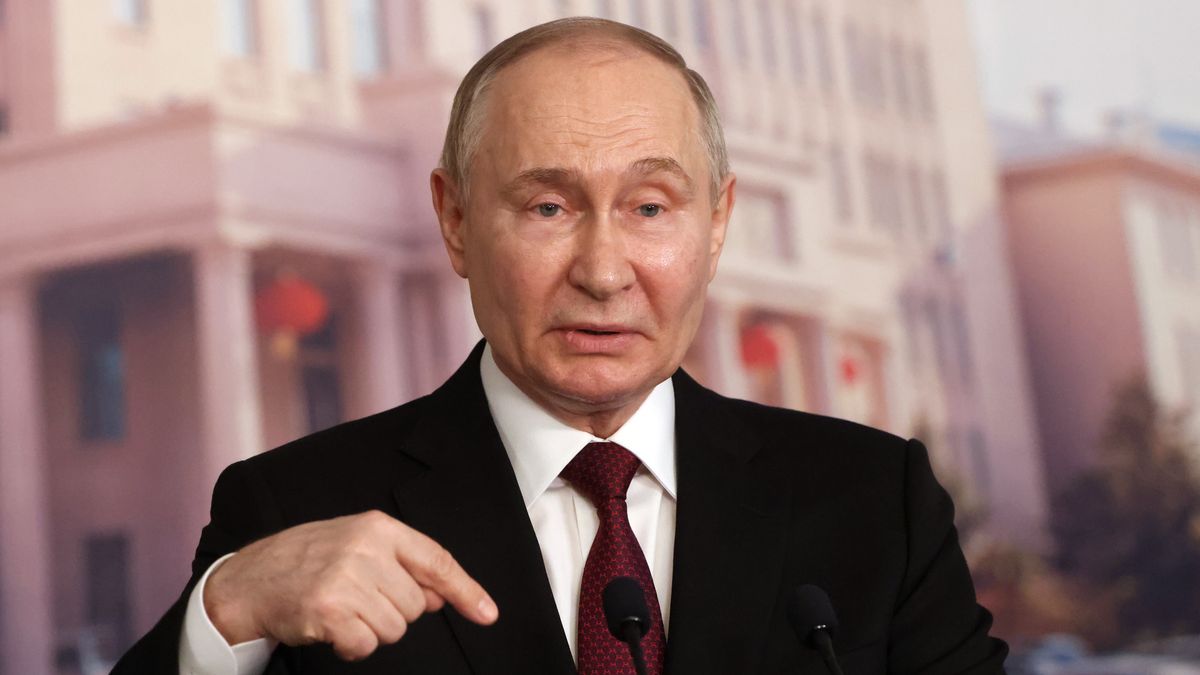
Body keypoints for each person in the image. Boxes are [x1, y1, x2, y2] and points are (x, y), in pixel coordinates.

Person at [114, 17, 1007, 675]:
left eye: (650, 208)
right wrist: (227, 613)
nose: (605, 270)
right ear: (456, 222)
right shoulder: (293, 506)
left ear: (718, 221)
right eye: (548, 208)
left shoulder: (872, 501)